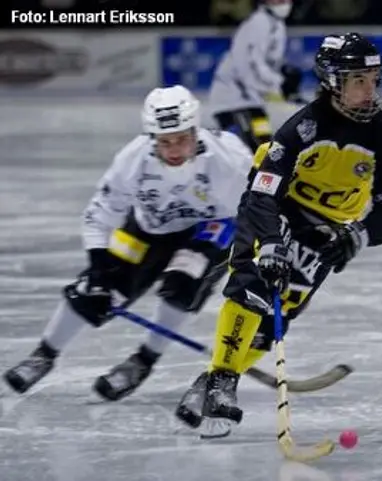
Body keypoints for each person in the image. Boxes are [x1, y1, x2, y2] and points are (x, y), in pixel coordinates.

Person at [173, 32, 382, 437]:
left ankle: (210, 379)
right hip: (275, 209)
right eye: (358, 81)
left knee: (275, 321)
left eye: (373, 79)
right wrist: (273, 245)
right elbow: (264, 192)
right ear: (333, 82)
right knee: (254, 286)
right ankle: (223, 384)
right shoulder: (303, 127)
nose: (370, 91)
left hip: (328, 229)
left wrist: (356, 236)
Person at [3, 85, 253, 401]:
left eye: (182, 139)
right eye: (164, 142)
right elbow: (100, 213)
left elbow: (262, 204)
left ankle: (143, 361)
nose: (174, 150)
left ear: (195, 129)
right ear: (152, 139)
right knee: (94, 291)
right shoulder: (133, 160)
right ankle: (44, 354)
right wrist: (98, 265)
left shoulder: (228, 160)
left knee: (181, 286)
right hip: (148, 227)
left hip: (212, 228)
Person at [205, 0, 305, 152]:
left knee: (264, 145)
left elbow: (269, 63)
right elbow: (251, 66)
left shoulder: (277, 25)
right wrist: (278, 84)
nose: (284, 3)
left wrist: (284, 76)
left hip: (252, 102)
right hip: (231, 100)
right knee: (245, 149)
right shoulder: (259, 23)